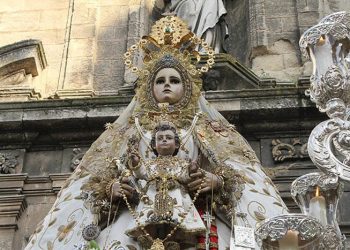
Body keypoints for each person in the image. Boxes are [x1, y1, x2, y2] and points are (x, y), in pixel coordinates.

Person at [25, 16, 287, 250]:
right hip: (137, 216)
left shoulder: (206, 127)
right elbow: (95, 181)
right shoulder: (129, 130)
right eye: (160, 81)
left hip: (194, 213)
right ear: (149, 87)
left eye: (174, 81)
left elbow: (241, 173)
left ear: (188, 87)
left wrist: (215, 181)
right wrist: (111, 188)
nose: (167, 86)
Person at [124, 122, 207, 244]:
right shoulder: (150, 164)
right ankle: (149, 239)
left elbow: (185, 177)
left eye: (168, 138)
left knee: (177, 220)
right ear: (153, 144)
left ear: (177, 143)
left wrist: (192, 169)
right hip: (153, 195)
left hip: (175, 195)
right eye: (160, 138)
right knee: (149, 220)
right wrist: (136, 162)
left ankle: (174, 240)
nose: (164, 140)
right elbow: (141, 173)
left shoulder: (181, 163)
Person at [158, 0, 228, 53]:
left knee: (212, 2)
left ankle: (206, 47)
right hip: (183, 2)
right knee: (189, 6)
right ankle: (190, 46)